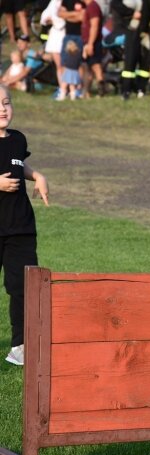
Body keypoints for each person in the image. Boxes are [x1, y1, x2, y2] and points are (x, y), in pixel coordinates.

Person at [1, 85, 50, 366]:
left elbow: (19, 165)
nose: (2, 108)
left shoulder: (18, 139)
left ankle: (20, 345)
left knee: (22, 288)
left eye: (6, 102)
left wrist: (38, 176)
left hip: (20, 228)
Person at [81, 0, 105, 97]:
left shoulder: (93, 7)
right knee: (88, 67)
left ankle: (101, 89)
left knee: (95, 65)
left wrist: (90, 43)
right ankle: (87, 92)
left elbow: (94, 26)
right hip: (88, 42)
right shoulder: (89, 7)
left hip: (93, 42)